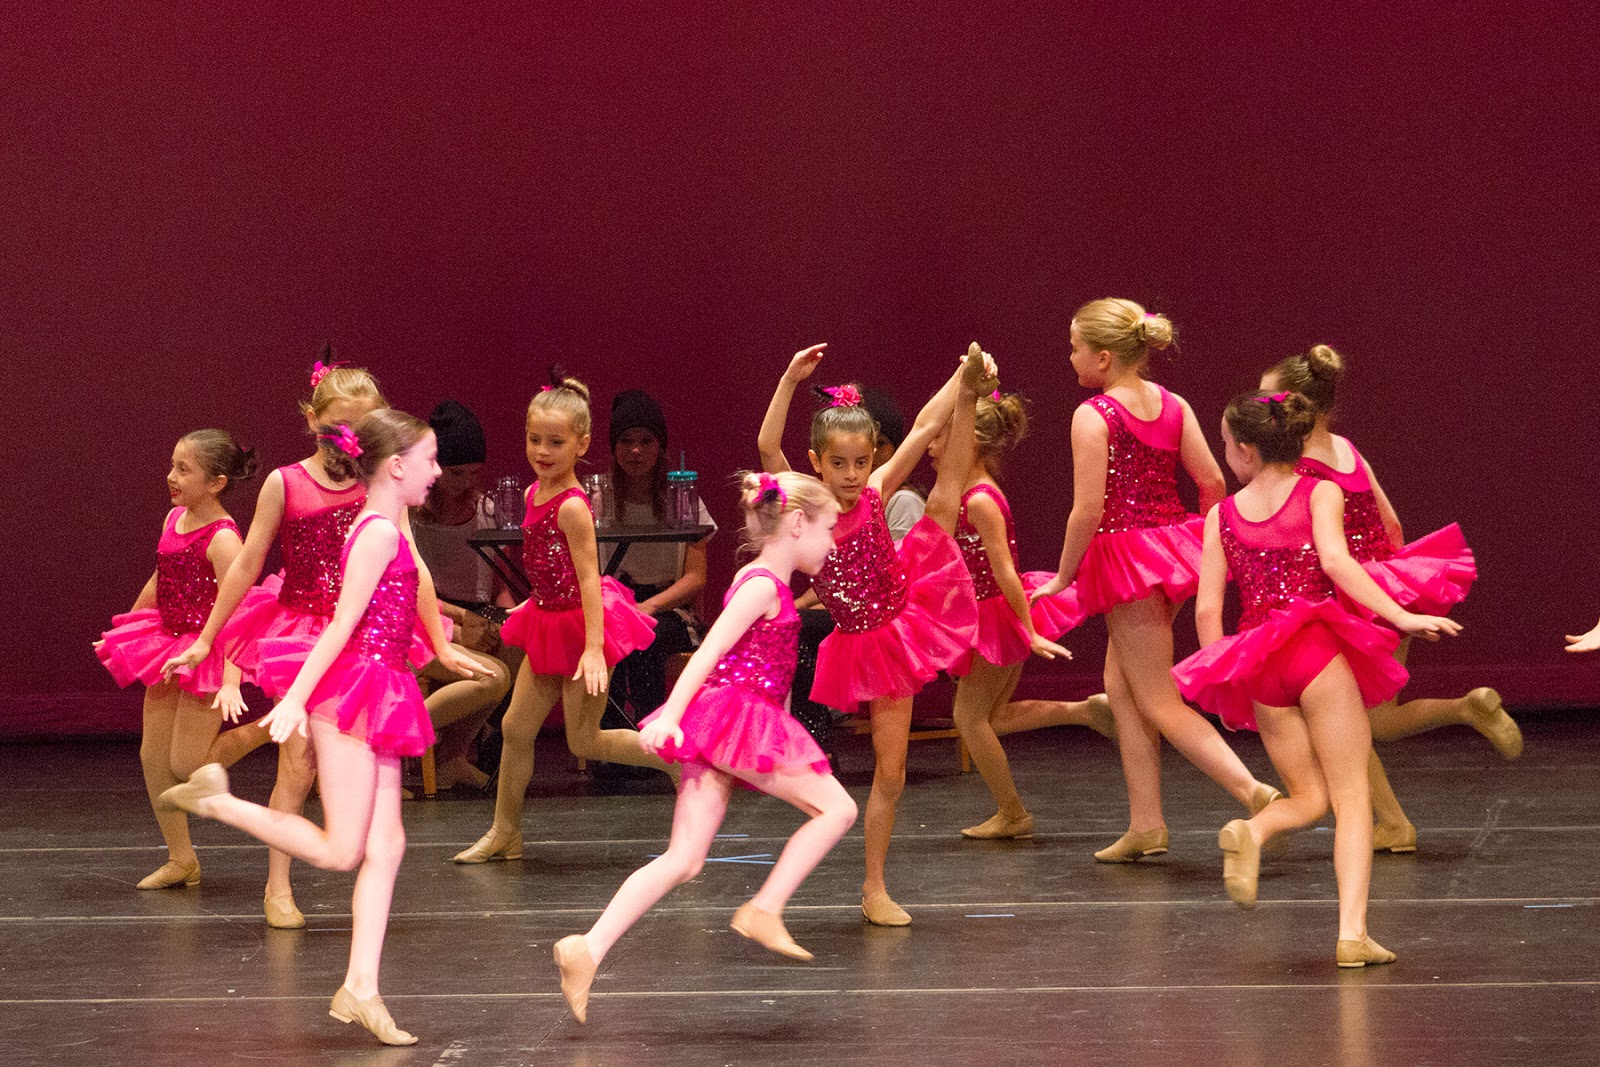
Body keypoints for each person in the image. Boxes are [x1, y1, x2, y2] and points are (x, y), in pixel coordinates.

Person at [161, 409, 447, 1044]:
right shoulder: (373, 533)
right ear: (396, 467)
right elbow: (342, 625)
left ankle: (361, 988)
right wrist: (296, 700)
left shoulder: (388, 522)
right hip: (349, 692)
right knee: (344, 850)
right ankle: (218, 802)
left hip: (380, 688)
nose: (438, 470)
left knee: (390, 844)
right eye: (429, 459)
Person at [551, 471, 856, 1025]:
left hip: (736, 722)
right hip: (734, 718)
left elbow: (769, 668)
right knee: (838, 808)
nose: (833, 542)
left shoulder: (763, 580)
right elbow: (711, 649)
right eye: (829, 528)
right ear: (796, 524)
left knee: (684, 859)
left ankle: (587, 948)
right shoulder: (763, 584)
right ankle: (765, 907)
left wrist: (783, 728)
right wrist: (670, 714)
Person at [1172, 390, 1461, 967]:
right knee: (1352, 799)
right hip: (1313, 651)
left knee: (1308, 797)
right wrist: (1402, 614)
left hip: (1258, 663)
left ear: (1246, 451)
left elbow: (1208, 611)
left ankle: (1253, 832)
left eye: (1225, 444)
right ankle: (1352, 934)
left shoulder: (1219, 516)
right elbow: (1337, 563)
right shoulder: (1319, 492)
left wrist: (1223, 667)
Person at [1030, 299, 1281, 862]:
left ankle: (1255, 793)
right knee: (1122, 690)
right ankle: (1147, 823)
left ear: (1101, 358)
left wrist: (1064, 577)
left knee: (1158, 698)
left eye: (1073, 348)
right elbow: (1212, 479)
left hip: (1127, 560)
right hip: (1169, 551)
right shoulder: (1173, 404)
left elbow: (1087, 511)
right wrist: (1202, 545)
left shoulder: (1093, 415)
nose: (1068, 357)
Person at [759, 343, 983, 926]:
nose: (853, 475)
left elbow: (928, 424)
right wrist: (788, 380)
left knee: (892, 770)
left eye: (861, 462)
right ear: (817, 463)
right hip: (857, 640)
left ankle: (873, 886)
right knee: (879, 769)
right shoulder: (806, 511)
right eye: (840, 464)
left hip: (900, 625)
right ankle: (871, 884)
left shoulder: (880, 488)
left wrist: (960, 376)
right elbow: (765, 448)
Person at [1262, 346, 1519, 853]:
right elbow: (1391, 521)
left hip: (1348, 595)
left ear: (1292, 408)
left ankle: (1393, 821)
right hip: (1387, 583)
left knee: (1343, 723)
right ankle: (1464, 711)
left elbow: (1307, 544)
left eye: (1267, 399)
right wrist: (1396, 580)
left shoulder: (1300, 472)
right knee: (1379, 719)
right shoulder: (1347, 449)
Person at [453, 371, 672, 864]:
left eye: (555, 442)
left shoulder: (573, 507)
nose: (542, 451)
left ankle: (676, 757)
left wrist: (594, 648)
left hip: (582, 626)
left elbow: (589, 578)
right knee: (514, 728)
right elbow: (546, 569)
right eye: (534, 439)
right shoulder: (533, 495)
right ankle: (505, 831)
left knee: (585, 738)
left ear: (582, 444)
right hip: (549, 619)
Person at [95, 430, 253, 890]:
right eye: (172, 465)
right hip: (168, 647)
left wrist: (231, 680)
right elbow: (160, 577)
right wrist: (129, 626)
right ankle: (182, 858)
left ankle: (266, 733)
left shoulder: (224, 539)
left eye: (184, 469)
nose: (171, 476)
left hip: (208, 649)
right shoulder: (174, 518)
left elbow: (240, 612)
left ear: (217, 482)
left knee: (187, 764)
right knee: (153, 757)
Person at [411, 399, 514, 791]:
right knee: (489, 672)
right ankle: (404, 741)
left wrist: (501, 620)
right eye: (456, 473)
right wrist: (462, 620)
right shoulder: (414, 516)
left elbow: (502, 579)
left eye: (474, 472)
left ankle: (455, 754)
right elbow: (413, 589)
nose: (467, 482)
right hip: (430, 612)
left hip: (477, 609)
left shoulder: (485, 508)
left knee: (518, 648)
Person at [602, 389, 714, 723]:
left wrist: (648, 607)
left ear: (660, 446)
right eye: (626, 441)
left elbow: (697, 577)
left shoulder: (681, 498)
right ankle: (608, 742)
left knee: (645, 637)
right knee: (602, 635)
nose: (635, 450)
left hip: (669, 609)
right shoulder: (597, 497)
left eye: (646, 441)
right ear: (614, 446)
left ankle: (647, 741)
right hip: (615, 603)